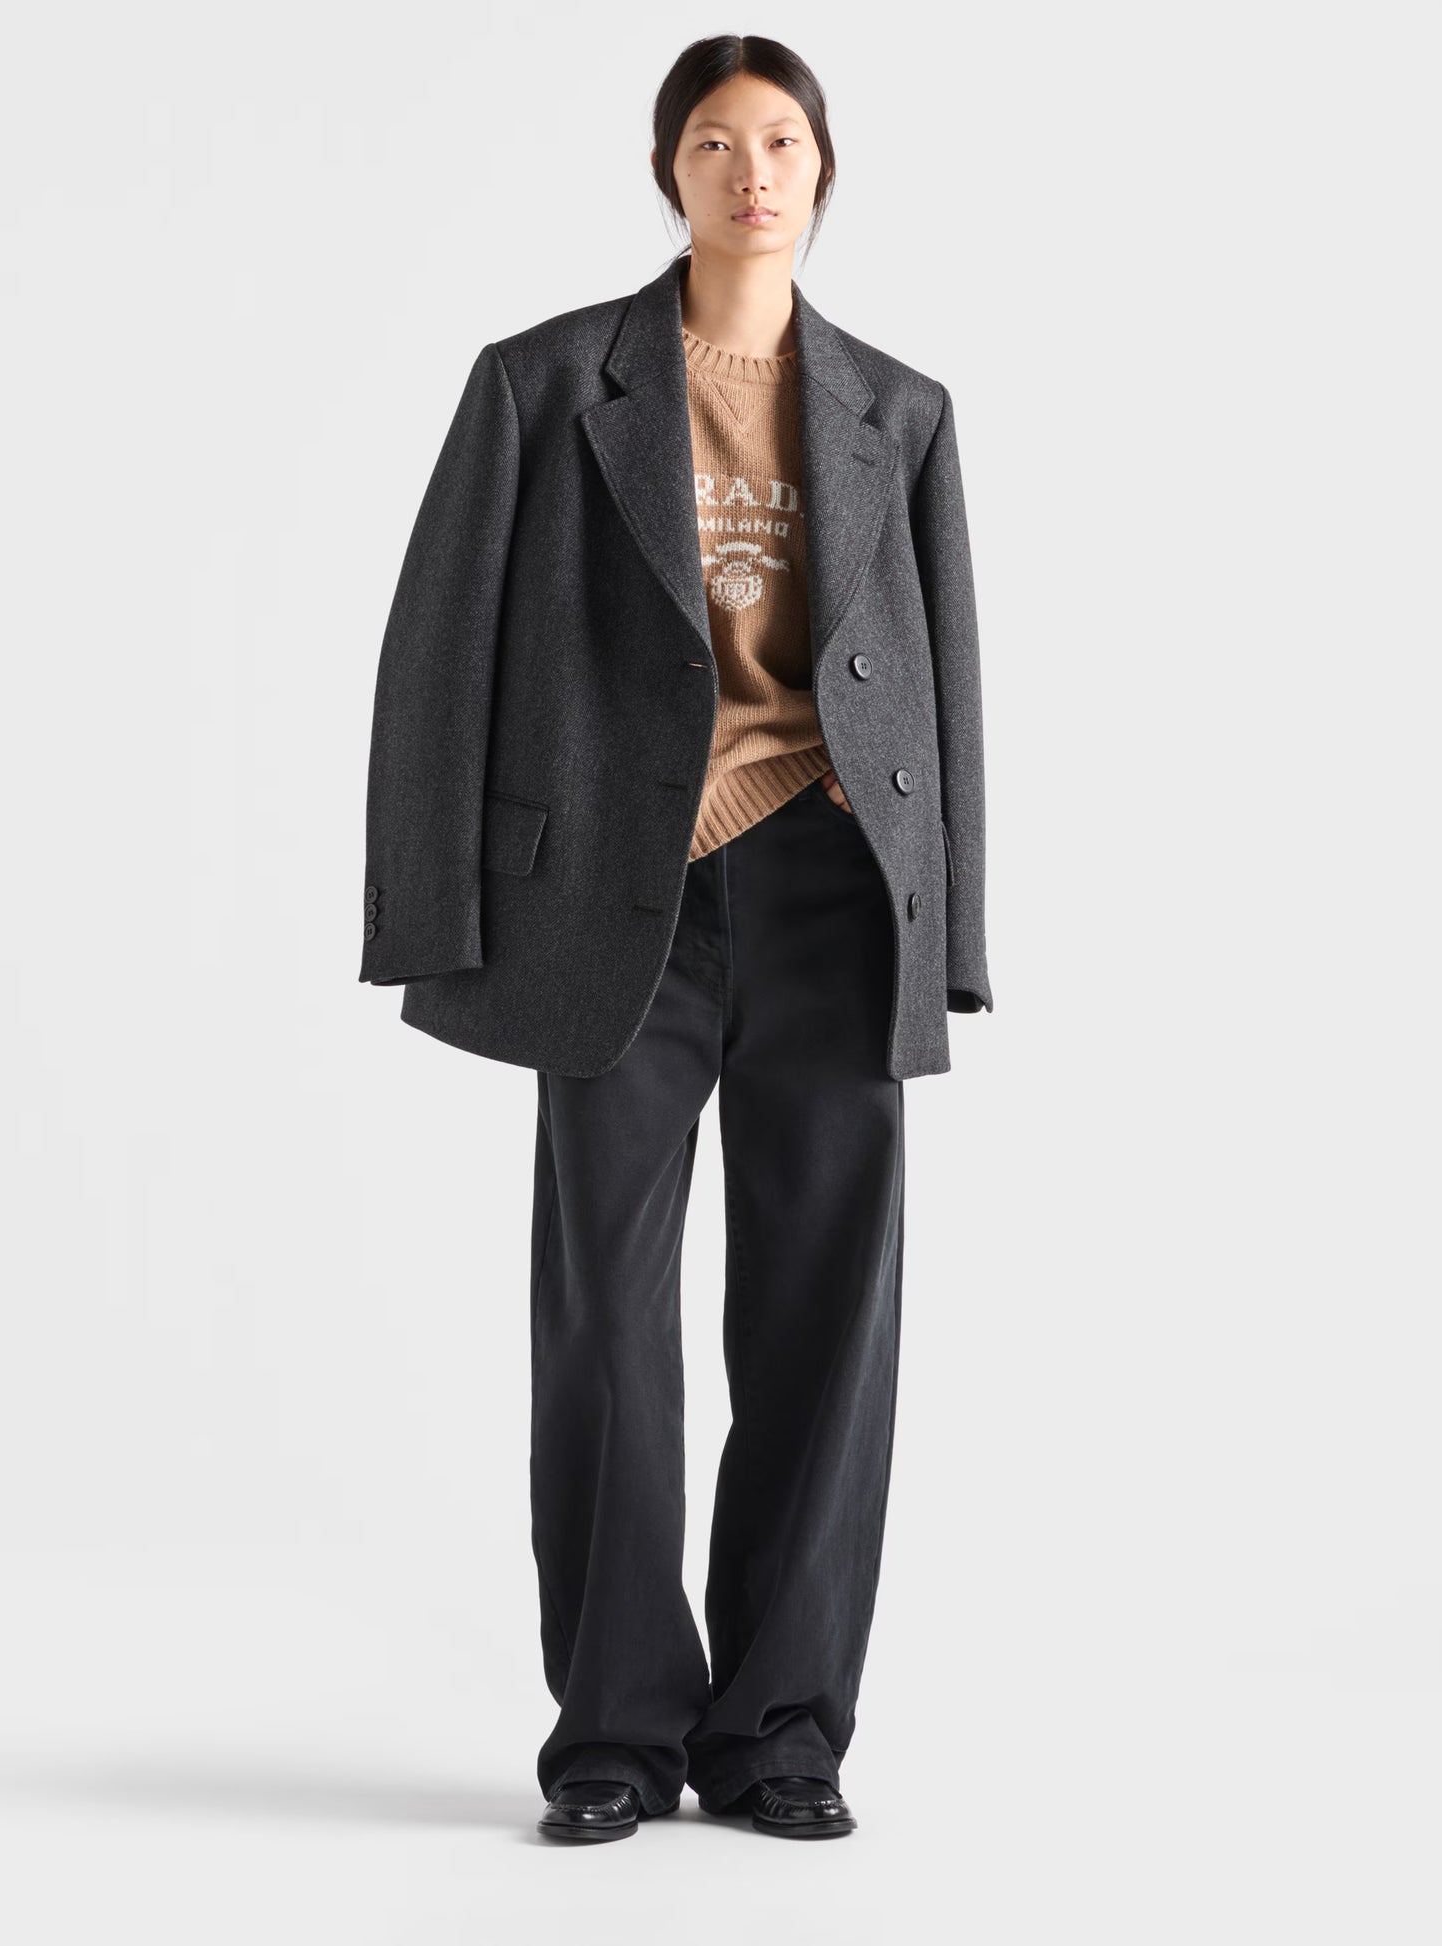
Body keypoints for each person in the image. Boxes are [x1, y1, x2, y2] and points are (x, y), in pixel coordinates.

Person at [358, 33, 991, 1843]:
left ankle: (782, 1731)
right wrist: (430, 919)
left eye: (779, 141)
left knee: (826, 1320)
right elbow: (434, 657)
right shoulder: (547, 382)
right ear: (668, 171)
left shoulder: (899, 408)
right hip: (609, 900)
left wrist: (950, 931)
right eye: (714, 142)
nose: (750, 172)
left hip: (833, 887)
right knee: (605, 1326)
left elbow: (943, 682)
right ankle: (616, 1733)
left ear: (822, 168)